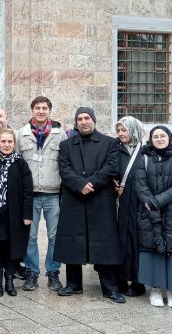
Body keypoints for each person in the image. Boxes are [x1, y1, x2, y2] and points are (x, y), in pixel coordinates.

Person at [55, 107, 125, 303]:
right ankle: (73, 284)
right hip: (74, 198)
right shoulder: (66, 145)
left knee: (104, 244)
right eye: (80, 119)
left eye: (87, 118)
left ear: (94, 120)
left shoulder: (110, 143)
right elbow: (64, 168)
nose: (84, 122)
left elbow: (112, 166)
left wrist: (91, 183)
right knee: (72, 241)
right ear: (76, 122)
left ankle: (109, 288)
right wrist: (79, 184)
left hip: (100, 198)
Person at [134, 126, 172, 308]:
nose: (159, 139)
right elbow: (140, 184)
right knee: (153, 250)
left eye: (162, 136)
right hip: (149, 210)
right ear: (151, 139)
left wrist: (156, 201)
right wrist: (151, 203)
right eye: (155, 136)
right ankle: (156, 289)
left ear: (169, 138)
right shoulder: (144, 158)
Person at [16, 96, 64, 292]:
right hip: (30, 194)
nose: (41, 111)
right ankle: (32, 272)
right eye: (37, 108)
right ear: (32, 110)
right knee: (30, 237)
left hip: (53, 192)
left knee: (55, 236)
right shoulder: (22, 134)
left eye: (44, 108)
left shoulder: (60, 134)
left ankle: (53, 272)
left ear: (50, 110)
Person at [0, 129, 33, 296]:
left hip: (14, 216)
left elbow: (27, 191)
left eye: (9, 142)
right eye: (3, 142)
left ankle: (9, 280)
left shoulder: (21, 164)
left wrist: (27, 215)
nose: (6, 145)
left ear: (14, 144)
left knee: (12, 249)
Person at [113, 116, 147, 297]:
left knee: (136, 240)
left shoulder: (145, 151)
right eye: (118, 130)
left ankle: (137, 281)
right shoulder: (115, 149)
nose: (120, 134)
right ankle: (120, 278)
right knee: (120, 238)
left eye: (124, 130)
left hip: (138, 202)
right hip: (120, 201)